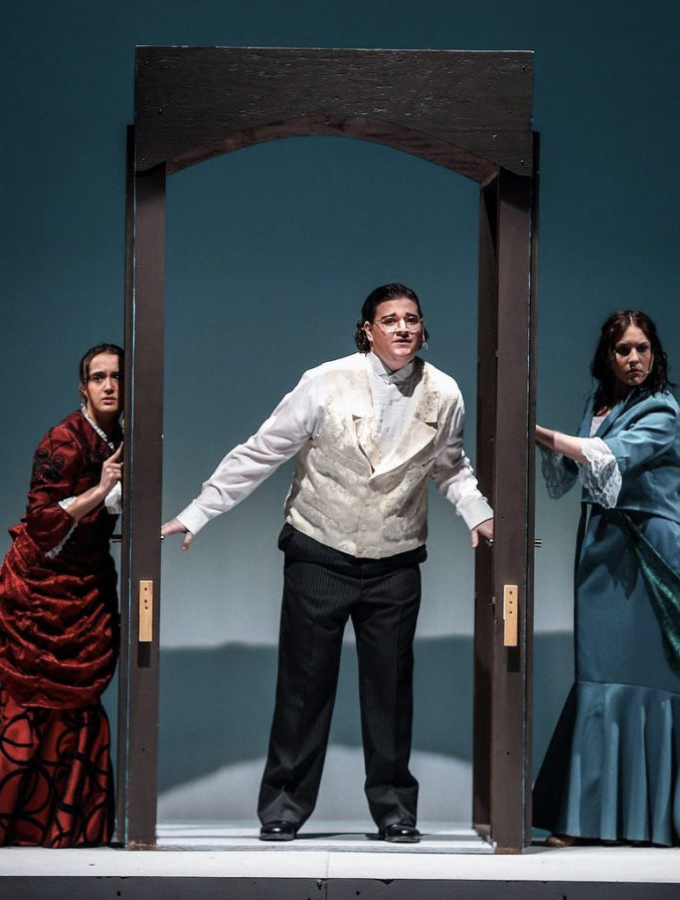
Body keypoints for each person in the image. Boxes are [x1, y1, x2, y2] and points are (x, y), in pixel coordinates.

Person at [162, 283, 494, 843]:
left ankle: (394, 810)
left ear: (423, 328)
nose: (402, 328)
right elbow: (262, 450)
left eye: (411, 319)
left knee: (390, 690)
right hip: (319, 549)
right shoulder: (325, 382)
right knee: (304, 685)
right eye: (389, 320)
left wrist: (478, 513)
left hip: (395, 557)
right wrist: (198, 511)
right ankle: (285, 806)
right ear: (367, 329)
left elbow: (451, 467)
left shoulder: (445, 393)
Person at [532, 311, 680, 849]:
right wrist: (541, 440)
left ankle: (673, 815)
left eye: (642, 349)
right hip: (601, 550)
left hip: (653, 555)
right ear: (607, 356)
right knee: (600, 678)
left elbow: (608, 456)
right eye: (623, 351)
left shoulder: (663, 409)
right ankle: (588, 818)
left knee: (674, 676)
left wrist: (539, 432)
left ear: (654, 352)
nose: (634, 359)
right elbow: (569, 472)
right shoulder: (597, 405)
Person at [0, 344, 124, 847]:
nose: (109, 386)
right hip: (40, 592)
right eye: (98, 377)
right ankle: (4, 824)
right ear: (83, 387)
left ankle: (69, 831)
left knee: (77, 708)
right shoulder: (62, 442)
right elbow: (42, 523)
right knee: (25, 708)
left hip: (84, 589)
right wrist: (100, 487)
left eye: (116, 377)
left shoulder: (120, 436)